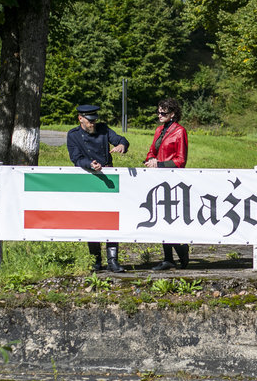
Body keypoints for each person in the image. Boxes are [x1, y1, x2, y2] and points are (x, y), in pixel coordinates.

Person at [67, 104, 129, 273]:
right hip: (89, 179)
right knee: (92, 220)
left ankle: (112, 260)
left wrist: (122, 145)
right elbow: (76, 158)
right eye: (89, 121)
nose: (93, 124)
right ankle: (96, 260)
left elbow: (120, 139)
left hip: (108, 178)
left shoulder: (103, 129)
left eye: (95, 120)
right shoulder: (73, 135)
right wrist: (90, 164)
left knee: (111, 219)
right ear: (80, 119)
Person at [144, 97, 190, 270]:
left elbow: (181, 160)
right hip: (158, 178)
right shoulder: (158, 130)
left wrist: (160, 164)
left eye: (163, 112)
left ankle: (181, 248)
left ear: (172, 114)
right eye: (158, 111)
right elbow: (152, 150)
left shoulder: (180, 131)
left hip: (173, 179)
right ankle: (168, 258)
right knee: (161, 219)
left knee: (170, 218)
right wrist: (150, 159)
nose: (159, 115)